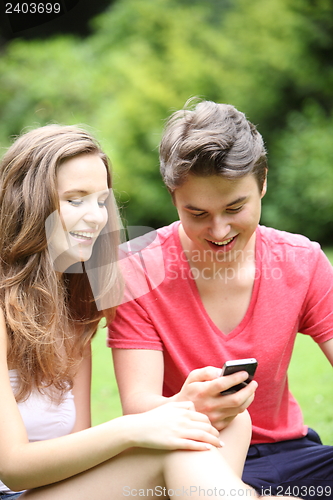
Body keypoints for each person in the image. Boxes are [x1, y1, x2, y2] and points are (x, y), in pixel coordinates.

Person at [0, 124, 290, 500]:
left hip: (52, 492)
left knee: (226, 422)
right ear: (29, 204)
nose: (95, 217)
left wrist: (175, 413)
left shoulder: (74, 311)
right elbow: (14, 467)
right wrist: (134, 429)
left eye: (101, 201)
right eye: (75, 200)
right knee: (182, 449)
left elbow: (77, 451)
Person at [108, 99, 333, 499]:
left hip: (295, 455)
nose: (219, 229)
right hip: (194, 456)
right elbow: (138, 406)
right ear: (173, 196)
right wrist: (187, 402)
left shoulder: (304, 261)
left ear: (262, 183)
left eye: (235, 207)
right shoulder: (135, 270)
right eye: (197, 213)